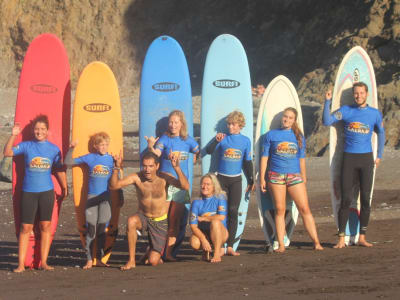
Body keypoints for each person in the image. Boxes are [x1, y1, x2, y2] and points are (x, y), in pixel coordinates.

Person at [323, 82, 385, 248]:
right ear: (353, 94)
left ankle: (362, 237)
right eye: (356, 93)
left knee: (365, 199)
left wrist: (379, 155)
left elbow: (381, 132)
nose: (359, 96)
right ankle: (341, 238)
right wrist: (327, 101)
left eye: (362, 93)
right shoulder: (346, 111)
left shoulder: (374, 114)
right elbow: (327, 121)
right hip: (349, 159)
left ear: (367, 94)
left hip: (366, 159)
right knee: (346, 200)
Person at [3, 115, 67, 272]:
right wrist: (13, 134)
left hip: (46, 192)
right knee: (25, 227)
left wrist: (64, 188)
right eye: (37, 129)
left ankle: (43, 262)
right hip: (28, 192)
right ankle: (20, 264)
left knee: (45, 226)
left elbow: (59, 169)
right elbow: (7, 152)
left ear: (47, 131)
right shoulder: (26, 146)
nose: (39, 131)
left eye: (42, 129)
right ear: (33, 130)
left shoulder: (53, 149)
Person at [109, 151, 189, 270]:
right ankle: (131, 260)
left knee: (153, 261)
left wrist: (177, 168)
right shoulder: (137, 178)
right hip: (144, 217)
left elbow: (185, 187)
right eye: (145, 166)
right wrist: (116, 168)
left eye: (151, 166)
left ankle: (151, 251)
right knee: (131, 221)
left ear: (157, 166)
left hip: (160, 221)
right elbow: (114, 186)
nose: (147, 169)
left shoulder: (164, 177)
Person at [260, 107, 323, 253]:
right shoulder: (270, 135)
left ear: (294, 120)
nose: (287, 119)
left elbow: (301, 160)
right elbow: (264, 158)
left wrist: (304, 175)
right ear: (282, 117)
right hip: (275, 176)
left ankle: (316, 242)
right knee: (280, 210)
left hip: (294, 175)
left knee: (305, 208)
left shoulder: (298, 136)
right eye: (285, 116)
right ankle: (281, 245)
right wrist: (262, 178)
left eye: (290, 118)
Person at [145, 110, 199, 261]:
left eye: (176, 122)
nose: (173, 125)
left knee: (175, 220)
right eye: (171, 122)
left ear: (181, 123)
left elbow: (198, 150)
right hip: (164, 183)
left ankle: (168, 253)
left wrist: (195, 156)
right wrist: (150, 146)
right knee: (162, 219)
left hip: (181, 185)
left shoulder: (188, 140)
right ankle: (158, 251)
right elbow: (156, 153)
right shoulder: (165, 138)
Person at [205, 110, 254, 256]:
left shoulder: (246, 141)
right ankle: (218, 245)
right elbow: (208, 150)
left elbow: (247, 162)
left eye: (233, 124)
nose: (230, 127)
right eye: (229, 124)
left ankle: (230, 246)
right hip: (221, 180)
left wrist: (251, 180)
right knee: (220, 211)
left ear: (240, 125)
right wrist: (216, 140)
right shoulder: (223, 139)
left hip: (236, 180)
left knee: (233, 211)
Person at [65, 132, 116, 269]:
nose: (104, 147)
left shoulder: (112, 160)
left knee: (102, 229)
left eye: (106, 144)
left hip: (106, 198)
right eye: (101, 144)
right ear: (95, 146)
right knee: (91, 229)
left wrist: (120, 196)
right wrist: (71, 148)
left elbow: (116, 181)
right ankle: (88, 259)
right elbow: (68, 162)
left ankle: (98, 259)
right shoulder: (90, 158)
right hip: (92, 197)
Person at [189, 173, 229, 263]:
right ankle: (205, 249)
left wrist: (204, 219)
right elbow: (193, 226)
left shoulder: (220, 198)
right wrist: (203, 239)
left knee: (215, 222)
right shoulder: (196, 203)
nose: (204, 186)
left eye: (208, 184)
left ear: (214, 186)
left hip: (221, 233)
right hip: (205, 233)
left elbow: (221, 217)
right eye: (203, 184)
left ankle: (217, 253)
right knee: (194, 242)